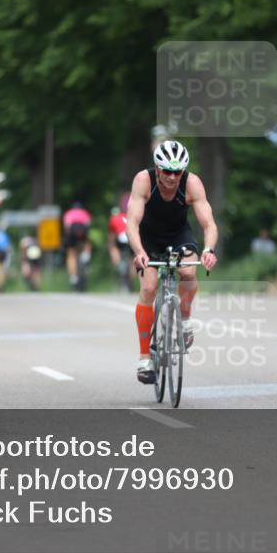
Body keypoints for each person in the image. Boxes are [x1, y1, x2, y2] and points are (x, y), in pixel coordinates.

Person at [126, 140, 219, 384]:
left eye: (177, 171)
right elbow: (132, 223)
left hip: (178, 235)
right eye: (167, 171)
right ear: (157, 168)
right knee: (148, 288)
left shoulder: (192, 183)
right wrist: (139, 251)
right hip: (147, 238)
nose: (172, 177)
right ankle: (145, 357)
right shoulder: (142, 181)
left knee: (188, 271)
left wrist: (209, 249)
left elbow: (208, 224)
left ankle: (185, 319)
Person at [62, 202, 92, 289]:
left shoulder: (68, 213)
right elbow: (88, 225)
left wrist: (68, 238)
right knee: (87, 242)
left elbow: (66, 227)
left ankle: (73, 277)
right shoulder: (85, 213)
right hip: (82, 233)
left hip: (72, 234)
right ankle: (86, 255)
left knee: (71, 255)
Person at [108, 205, 134, 291]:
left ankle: (118, 265)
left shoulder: (114, 218)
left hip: (121, 239)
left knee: (114, 250)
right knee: (132, 260)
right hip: (131, 239)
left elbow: (112, 236)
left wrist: (111, 248)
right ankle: (131, 281)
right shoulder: (132, 216)